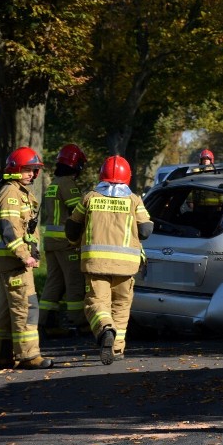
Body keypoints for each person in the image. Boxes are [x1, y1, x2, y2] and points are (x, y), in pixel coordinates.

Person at [65, 155, 153, 365]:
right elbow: (146, 229)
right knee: (122, 305)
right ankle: (117, 348)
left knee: (97, 303)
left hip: (95, 264)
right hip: (126, 266)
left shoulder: (89, 197)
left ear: (101, 175)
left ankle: (105, 329)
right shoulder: (134, 200)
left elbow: (72, 228)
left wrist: (75, 240)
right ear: (127, 176)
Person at [0, 146, 54, 369]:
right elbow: (9, 229)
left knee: (8, 309)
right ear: (15, 169)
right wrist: (24, 255)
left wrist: (32, 251)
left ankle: (2, 355)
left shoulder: (20, 192)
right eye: (27, 169)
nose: (32, 174)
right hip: (15, 263)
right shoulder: (11, 193)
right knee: (26, 307)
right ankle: (29, 356)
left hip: (11, 262)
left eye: (34, 170)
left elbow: (25, 229)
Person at [39, 144, 88, 337]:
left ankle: (45, 323)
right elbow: (79, 212)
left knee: (54, 282)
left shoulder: (53, 183)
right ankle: (80, 322)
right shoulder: (67, 183)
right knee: (74, 281)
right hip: (66, 242)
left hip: (51, 241)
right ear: (76, 165)